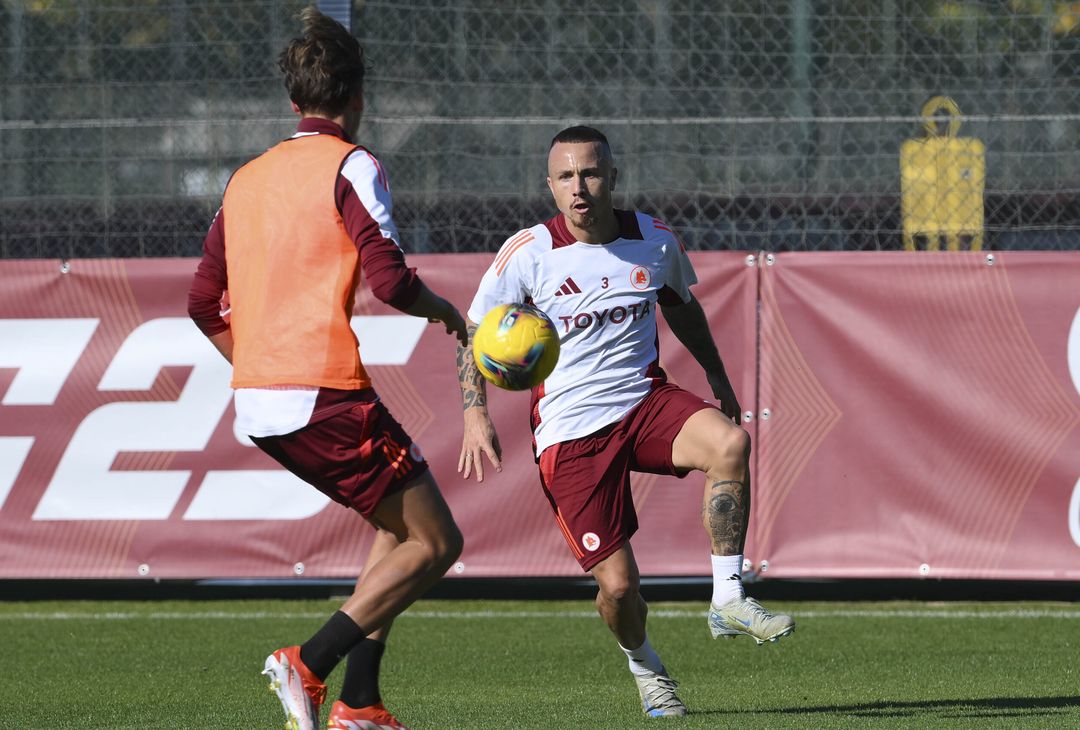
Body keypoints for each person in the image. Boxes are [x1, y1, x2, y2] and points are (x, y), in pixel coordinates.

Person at [187, 9, 465, 730]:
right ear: (359, 97)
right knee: (438, 544)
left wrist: (255, 363)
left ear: (292, 101)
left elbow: (200, 302)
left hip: (262, 402)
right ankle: (308, 663)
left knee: (395, 528)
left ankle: (361, 704)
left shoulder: (245, 178)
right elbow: (391, 280)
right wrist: (446, 312)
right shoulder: (354, 163)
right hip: (325, 393)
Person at [457, 125, 795, 717]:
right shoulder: (527, 252)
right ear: (550, 185)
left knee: (730, 444)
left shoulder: (655, 239)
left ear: (612, 176)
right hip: (571, 434)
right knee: (617, 589)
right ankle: (645, 665)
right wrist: (474, 411)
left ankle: (728, 597)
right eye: (565, 177)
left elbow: (683, 310)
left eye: (590, 173)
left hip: (644, 401)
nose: (579, 187)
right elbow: (475, 332)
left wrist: (717, 379)